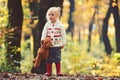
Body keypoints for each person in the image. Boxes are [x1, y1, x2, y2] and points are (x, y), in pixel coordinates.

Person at [41, 7, 66, 76]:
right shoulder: (47, 24)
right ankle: (49, 72)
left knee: (57, 58)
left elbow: (63, 35)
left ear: (57, 16)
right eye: (49, 15)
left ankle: (58, 72)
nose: (50, 16)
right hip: (49, 46)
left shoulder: (60, 25)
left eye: (52, 15)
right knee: (49, 59)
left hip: (58, 45)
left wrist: (64, 43)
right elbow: (44, 32)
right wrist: (43, 40)